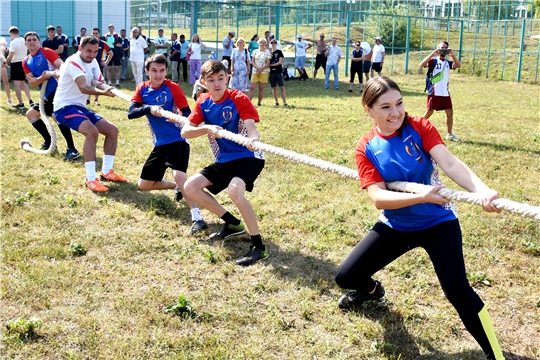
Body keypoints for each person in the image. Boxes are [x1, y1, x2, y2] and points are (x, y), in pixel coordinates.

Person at [335, 76, 504, 360]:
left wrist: (482, 191)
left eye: (399, 103)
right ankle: (373, 292)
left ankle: (496, 356)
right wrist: (422, 196)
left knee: (457, 290)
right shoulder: (366, 147)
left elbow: (449, 163)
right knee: (346, 276)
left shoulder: (419, 127)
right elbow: (378, 197)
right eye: (386, 107)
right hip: (396, 225)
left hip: (438, 223)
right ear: (369, 110)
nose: (396, 112)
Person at [181, 60, 268, 267]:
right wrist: (207, 128)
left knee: (235, 190)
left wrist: (253, 139)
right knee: (190, 187)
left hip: (249, 156)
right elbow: (185, 131)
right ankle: (232, 223)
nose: (217, 84)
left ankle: (258, 247)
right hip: (224, 160)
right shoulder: (203, 102)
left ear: (227, 77)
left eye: (221, 78)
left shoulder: (238, 98)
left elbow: (251, 127)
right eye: (211, 80)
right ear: (203, 82)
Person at [127, 54, 208, 235]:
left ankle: (197, 218)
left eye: (162, 70)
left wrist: (181, 119)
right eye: (154, 71)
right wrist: (149, 109)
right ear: (146, 71)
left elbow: (188, 113)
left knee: (179, 174)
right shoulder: (142, 89)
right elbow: (131, 113)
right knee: (144, 185)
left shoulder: (173, 87)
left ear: (166, 71)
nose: (158, 75)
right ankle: (178, 187)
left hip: (178, 139)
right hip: (160, 144)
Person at [53, 35, 126, 193]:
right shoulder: (73, 62)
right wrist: (105, 93)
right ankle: (90, 178)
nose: (92, 55)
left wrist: (106, 87)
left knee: (112, 130)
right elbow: (84, 87)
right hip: (63, 107)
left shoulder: (92, 61)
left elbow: (97, 80)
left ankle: (107, 172)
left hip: (79, 106)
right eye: (88, 51)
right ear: (80, 48)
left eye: (95, 52)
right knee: (92, 133)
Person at [22, 31, 80, 160]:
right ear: (25, 43)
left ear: (38, 41)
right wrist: (43, 77)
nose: (32, 42)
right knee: (31, 114)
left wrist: (56, 73)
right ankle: (49, 142)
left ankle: (72, 149)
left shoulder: (46, 52)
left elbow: (63, 66)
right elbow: (31, 82)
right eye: (29, 40)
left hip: (59, 90)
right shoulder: (26, 61)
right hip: (47, 94)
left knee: (56, 115)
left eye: (34, 39)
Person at [421, 41, 461, 142]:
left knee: (450, 112)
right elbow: (422, 64)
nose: (444, 49)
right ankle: (417, 127)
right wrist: (432, 54)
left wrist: (453, 55)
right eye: (442, 47)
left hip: (445, 92)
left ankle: (449, 134)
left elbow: (458, 65)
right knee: (430, 111)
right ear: (438, 49)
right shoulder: (433, 61)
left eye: (446, 47)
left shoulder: (448, 62)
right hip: (434, 91)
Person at [5, 26, 34, 109]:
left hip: (16, 63)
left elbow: (11, 56)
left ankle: (21, 104)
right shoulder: (23, 40)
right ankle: (30, 100)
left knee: (16, 84)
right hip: (24, 62)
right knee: (23, 83)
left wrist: (5, 62)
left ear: (11, 33)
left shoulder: (13, 42)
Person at [91, 28, 113, 105]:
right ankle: (87, 99)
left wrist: (106, 62)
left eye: (96, 33)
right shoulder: (88, 43)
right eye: (93, 33)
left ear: (99, 34)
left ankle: (96, 100)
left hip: (99, 66)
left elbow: (111, 53)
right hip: (88, 65)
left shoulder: (103, 44)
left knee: (98, 82)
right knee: (87, 82)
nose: (95, 35)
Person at [248, 38, 271, 106]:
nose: (262, 44)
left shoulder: (267, 52)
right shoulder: (255, 51)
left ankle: (259, 102)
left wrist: (261, 70)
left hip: (263, 72)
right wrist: (258, 68)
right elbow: (252, 61)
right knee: (252, 87)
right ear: (258, 43)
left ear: (266, 43)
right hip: (255, 71)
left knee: (261, 88)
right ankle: (248, 102)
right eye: (261, 42)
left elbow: (268, 63)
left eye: (264, 42)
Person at [268, 38, 287, 106]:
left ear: (276, 44)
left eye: (274, 43)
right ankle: (276, 102)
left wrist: (271, 65)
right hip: (272, 72)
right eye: (272, 43)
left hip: (278, 71)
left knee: (282, 87)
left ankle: (285, 102)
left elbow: (280, 62)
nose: (273, 44)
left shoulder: (279, 52)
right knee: (274, 87)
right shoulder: (269, 53)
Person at [0, 36, 13, 106]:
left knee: (6, 82)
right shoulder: (2, 48)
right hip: (2, 65)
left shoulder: (3, 48)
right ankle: (9, 100)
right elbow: (2, 56)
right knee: (6, 82)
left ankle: (9, 99)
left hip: (2, 65)